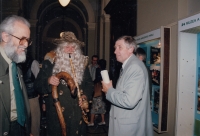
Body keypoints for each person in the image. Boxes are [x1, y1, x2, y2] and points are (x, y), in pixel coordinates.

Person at [34, 31, 93, 136]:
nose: (70, 50)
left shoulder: (82, 64)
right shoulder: (49, 64)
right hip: (57, 114)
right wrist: (48, 81)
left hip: (77, 112)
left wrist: (85, 96)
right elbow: (37, 85)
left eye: (73, 47)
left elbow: (89, 84)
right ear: (60, 49)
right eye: (67, 47)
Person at [101, 36, 153, 136]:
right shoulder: (129, 65)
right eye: (115, 48)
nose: (115, 51)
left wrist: (109, 90)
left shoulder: (134, 67)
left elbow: (129, 101)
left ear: (130, 49)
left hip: (129, 129)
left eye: (119, 47)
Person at [0, 15, 32, 136]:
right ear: (5, 37)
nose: (26, 45)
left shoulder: (15, 64)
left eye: (28, 40)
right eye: (22, 39)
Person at [19, 49, 41, 136]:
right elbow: (39, 81)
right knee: (34, 124)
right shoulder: (33, 62)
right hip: (32, 97)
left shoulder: (17, 62)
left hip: (21, 97)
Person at [88, 59, 107, 127]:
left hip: (97, 89)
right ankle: (103, 120)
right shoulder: (105, 71)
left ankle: (91, 121)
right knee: (102, 106)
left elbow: (96, 79)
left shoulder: (98, 70)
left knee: (94, 106)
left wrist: (92, 83)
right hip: (103, 90)